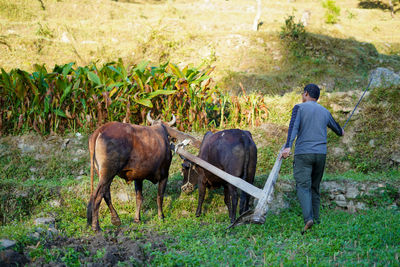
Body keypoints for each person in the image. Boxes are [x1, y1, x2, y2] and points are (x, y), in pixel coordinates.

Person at [280, 83, 344, 234]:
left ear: (306, 94)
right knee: (315, 186)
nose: (302, 96)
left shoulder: (299, 108)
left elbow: (293, 127)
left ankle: (308, 218)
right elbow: (338, 130)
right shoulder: (325, 111)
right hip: (320, 155)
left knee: (303, 186)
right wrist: (342, 131)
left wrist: (288, 147)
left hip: (304, 154)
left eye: (303, 94)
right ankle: (317, 219)